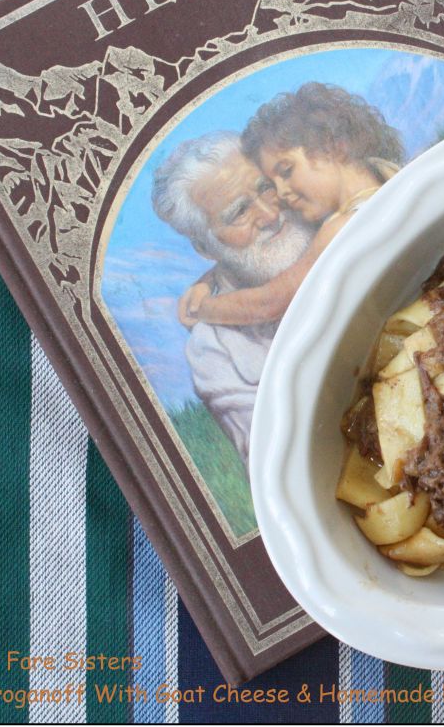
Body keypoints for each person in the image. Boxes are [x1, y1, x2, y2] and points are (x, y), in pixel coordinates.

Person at [178, 83, 405, 327]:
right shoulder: (386, 174)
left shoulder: (339, 228)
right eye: (272, 184)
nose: (282, 193)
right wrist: (209, 280)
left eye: (286, 171)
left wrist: (204, 308)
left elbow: (269, 303)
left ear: (334, 148)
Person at [151, 131, 315, 464]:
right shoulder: (215, 351)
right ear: (205, 247)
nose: (270, 215)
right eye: (239, 212)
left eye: (265, 187)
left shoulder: (324, 213)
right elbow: (276, 459)